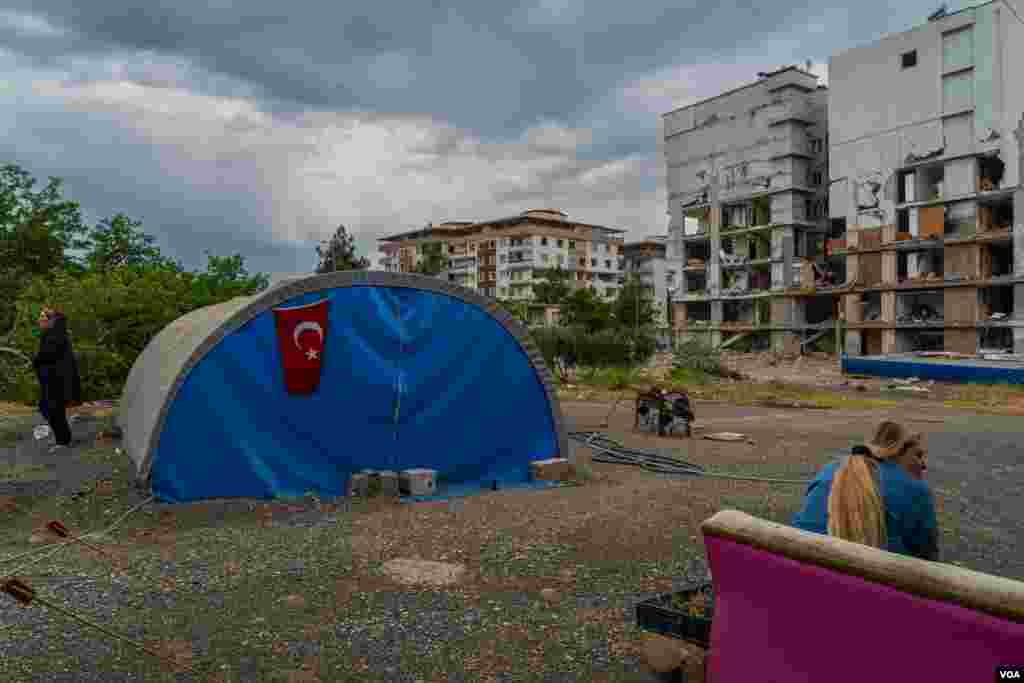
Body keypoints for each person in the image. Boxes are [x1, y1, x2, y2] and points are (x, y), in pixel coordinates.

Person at [792, 421, 939, 561]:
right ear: (896, 452)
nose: (923, 465)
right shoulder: (916, 490)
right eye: (918, 455)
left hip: (798, 561)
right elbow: (928, 557)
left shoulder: (830, 468)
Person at [32, 306, 82, 453]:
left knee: (52, 409)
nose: (39, 320)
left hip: (56, 380)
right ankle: (63, 438)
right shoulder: (51, 334)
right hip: (51, 380)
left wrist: (36, 360)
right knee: (49, 409)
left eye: (43, 317)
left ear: (51, 321)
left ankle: (63, 441)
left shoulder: (55, 336)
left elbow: (47, 356)